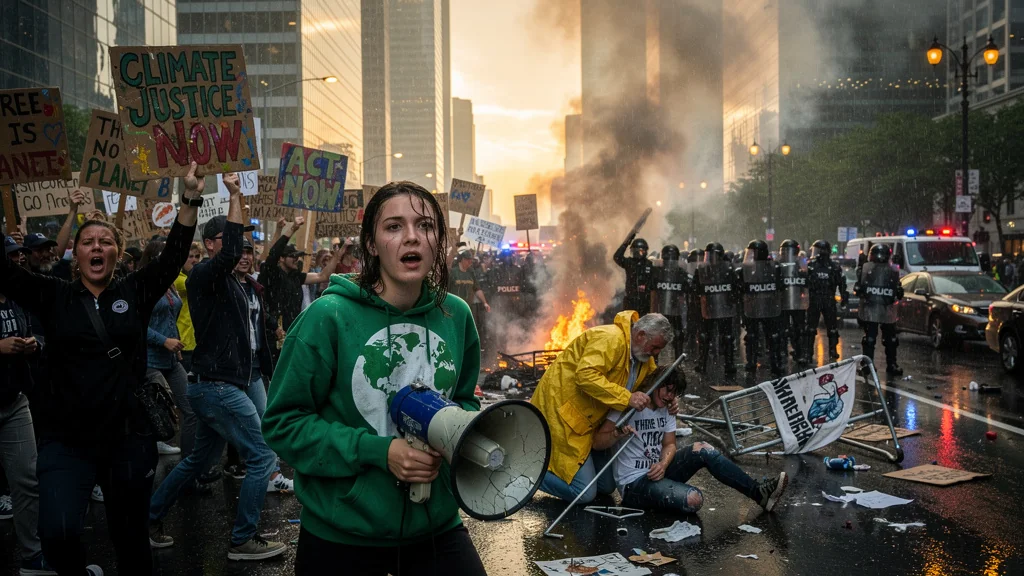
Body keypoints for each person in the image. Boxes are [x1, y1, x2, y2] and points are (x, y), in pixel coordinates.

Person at [263, 181, 487, 575]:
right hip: (341, 538)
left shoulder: (457, 314)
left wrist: (448, 435)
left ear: (440, 241)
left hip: (437, 529)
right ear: (371, 243)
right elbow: (283, 425)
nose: (412, 237)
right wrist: (379, 453)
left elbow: (466, 401)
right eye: (394, 226)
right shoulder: (326, 318)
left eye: (425, 226)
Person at [0, 163, 203, 576]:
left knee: (130, 539)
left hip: (127, 440)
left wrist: (190, 198)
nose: (97, 247)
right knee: (56, 533)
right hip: (65, 443)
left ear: (116, 252)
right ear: (76, 255)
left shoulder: (135, 290)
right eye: (88, 241)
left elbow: (174, 254)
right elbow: (6, 273)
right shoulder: (54, 295)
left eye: (105, 241)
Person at [148, 188, 290, 560]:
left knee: (196, 462)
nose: (244, 254)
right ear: (211, 245)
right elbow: (229, 254)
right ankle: (243, 539)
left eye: (248, 249)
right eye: (236, 247)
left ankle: (148, 518)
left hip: (221, 385)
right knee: (261, 457)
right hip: (217, 387)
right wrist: (235, 195)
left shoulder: (242, 286)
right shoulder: (204, 277)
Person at [593, 365, 789, 514]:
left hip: (658, 472)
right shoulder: (628, 405)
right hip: (633, 484)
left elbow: (670, 444)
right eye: (667, 390)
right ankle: (657, 499)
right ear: (656, 383)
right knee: (694, 499)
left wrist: (663, 463)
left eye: (674, 393)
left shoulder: (667, 408)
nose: (670, 397)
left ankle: (758, 492)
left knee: (702, 448)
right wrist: (616, 434)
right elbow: (597, 442)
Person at [532, 312, 675, 503]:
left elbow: (652, 385)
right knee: (584, 493)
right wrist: (627, 397)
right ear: (641, 335)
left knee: (606, 486)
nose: (656, 354)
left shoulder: (642, 356)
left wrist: (670, 399)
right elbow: (585, 377)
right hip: (563, 416)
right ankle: (527, 475)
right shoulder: (610, 339)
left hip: (590, 423)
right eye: (655, 347)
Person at [0, 236, 57, 575]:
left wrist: (34, 343)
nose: (18, 261)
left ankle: (32, 556)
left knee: (27, 480)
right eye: (11, 256)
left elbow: (39, 330)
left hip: (15, 400)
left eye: (19, 256)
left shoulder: (18, 297)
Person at [139, 239, 193, 460]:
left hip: (171, 360)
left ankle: (189, 469)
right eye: (162, 256)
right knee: (154, 417)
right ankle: (145, 468)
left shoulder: (169, 283)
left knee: (191, 410)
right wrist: (163, 341)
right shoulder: (142, 284)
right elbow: (137, 325)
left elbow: (171, 317)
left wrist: (176, 344)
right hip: (149, 360)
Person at [262, 216, 341, 332]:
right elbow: (273, 254)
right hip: (273, 332)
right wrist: (292, 228)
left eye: (298, 256)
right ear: (282, 259)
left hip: (293, 331)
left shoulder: (296, 276)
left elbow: (322, 276)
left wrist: (337, 256)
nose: (297, 259)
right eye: (292, 256)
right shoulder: (272, 273)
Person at [855, 244, 904, 376]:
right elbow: (859, 287)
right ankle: (868, 365)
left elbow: (897, 289)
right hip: (871, 308)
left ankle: (891, 364)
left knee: (890, 339)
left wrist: (898, 291)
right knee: (870, 339)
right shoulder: (866, 270)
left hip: (887, 308)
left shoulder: (892, 271)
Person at [739, 240, 783, 375]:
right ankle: (751, 362)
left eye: (753, 253)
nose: (751, 256)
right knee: (752, 336)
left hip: (769, 307)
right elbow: (741, 289)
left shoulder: (774, 268)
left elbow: (781, 287)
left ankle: (775, 362)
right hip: (753, 307)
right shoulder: (745, 270)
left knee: (773, 336)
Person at [694, 243, 739, 375]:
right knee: (706, 336)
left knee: (726, 337)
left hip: (723, 307)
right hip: (710, 307)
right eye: (708, 255)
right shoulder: (702, 270)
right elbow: (696, 288)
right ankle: (704, 364)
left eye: (712, 255)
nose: (710, 258)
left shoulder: (728, 269)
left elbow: (735, 288)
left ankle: (727, 364)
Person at [806, 239, 848, 362]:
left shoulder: (832, 267)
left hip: (826, 298)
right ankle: (809, 352)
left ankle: (831, 350)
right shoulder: (811, 266)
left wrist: (844, 297)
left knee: (831, 327)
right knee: (811, 328)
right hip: (816, 299)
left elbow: (841, 284)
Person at [649, 244, 688, 361]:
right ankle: (654, 360)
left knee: (678, 335)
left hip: (674, 309)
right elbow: (652, 291)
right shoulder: (657, 271)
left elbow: (685, 290)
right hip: (661, 310)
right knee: (658, 335)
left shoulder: (680, 272)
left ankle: (677, 360)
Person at [777, 239, 810, 366]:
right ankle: (783, 351)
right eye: (784, 250)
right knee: (783, 329)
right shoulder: (778, 264)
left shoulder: (801, 263)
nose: (785, 253)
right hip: (783, 301)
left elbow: (806, 280)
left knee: (799, 329)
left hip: (797, 301)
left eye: (787, 250)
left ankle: (799, 352)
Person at [175, 242, 202, 372]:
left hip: (196, 341)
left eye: (197, 256)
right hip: (184, 342)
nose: (194, 260)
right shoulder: (179, 279)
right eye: (190, 256)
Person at [614, 236, 654, 316]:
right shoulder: (629, 263)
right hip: (630, 300)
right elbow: (617, 257)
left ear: (645, 251)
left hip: (644, 302)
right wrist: (626, 243)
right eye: (636, 251)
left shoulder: (649, 265)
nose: (638, 253)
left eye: (641, 251)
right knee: (629, 324)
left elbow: (653, 282)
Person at [449, 251, 491, 316]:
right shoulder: (453, 272)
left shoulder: (471, 272)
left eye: (471, 261)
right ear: (463, 259)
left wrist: (485, 303)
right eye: (468, 260)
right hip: (454, 308)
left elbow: (477, 289)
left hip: (467, 308)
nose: (470, 263)